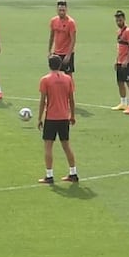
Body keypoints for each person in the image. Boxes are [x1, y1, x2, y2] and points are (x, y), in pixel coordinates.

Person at [37, 56, 78, 184]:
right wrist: (72, 115)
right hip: (64, 117)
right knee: (66, 145)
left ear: (49, 65)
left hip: (51, 118)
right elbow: (71, 99)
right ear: (60, 65)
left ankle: (49, 175)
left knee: (48, 146)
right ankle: (73, 173)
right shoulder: (68, 79)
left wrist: (39, 118)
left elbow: (43, 101)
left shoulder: (45, 80)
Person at [111, 10, 129, 113]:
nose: (118, 22)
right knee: (120, 82)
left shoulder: (128, 31)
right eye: (117, 20)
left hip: (128, 61)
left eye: (120, 20)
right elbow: (120, 47)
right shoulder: (119, 31)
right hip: (120, 61)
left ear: (124, 19)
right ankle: (123, 103)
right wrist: (117, 60)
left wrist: (127, 59)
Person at [47, 0, 77, 75]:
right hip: (56, 53)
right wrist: (49, 51)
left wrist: (68, 55)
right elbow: (51, 36)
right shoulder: (53, 21)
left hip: (66, 53)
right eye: (60, 10)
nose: (61, 12)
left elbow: (73, 40)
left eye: (63, 10)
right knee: (56, 75)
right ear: (57, 9)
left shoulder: (71, 23)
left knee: (68, 76)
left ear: (66, 9)